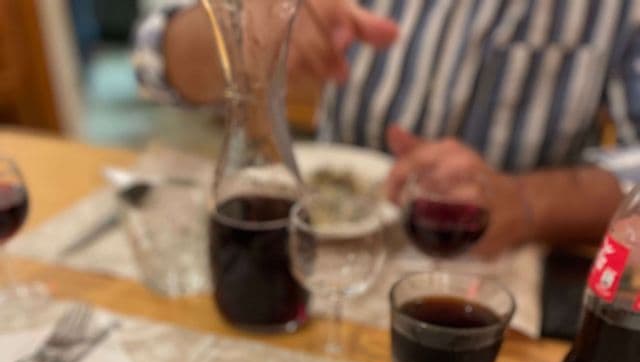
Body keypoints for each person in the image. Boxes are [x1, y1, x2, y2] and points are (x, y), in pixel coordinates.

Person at [134, 0, 640, 258]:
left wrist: (527, 202)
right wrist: (243, 27)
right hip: (314, 248)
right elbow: (153, 61)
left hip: (490, 265)